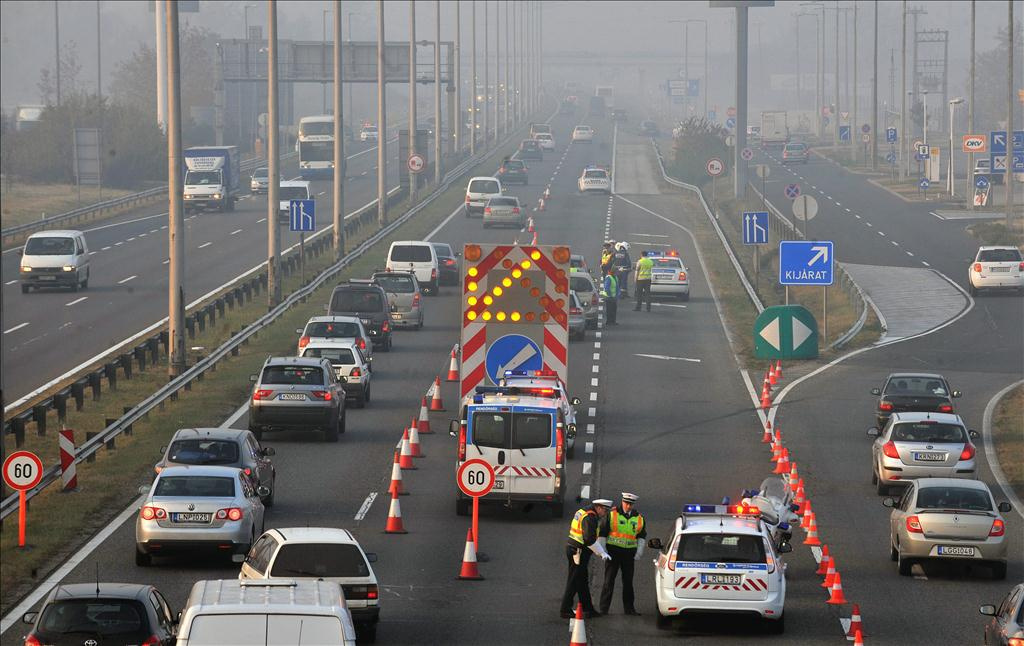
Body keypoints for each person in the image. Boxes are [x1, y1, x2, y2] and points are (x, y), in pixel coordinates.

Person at [561, 498, 613, 619]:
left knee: (582, 580)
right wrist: (601, 553)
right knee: (573, 581)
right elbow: (589, 539)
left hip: (574, 549)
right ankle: (565, 609)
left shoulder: (584, 511)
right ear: (599, 507)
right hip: (578, 551)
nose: (605, 514)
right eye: (605, 511)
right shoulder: (590, 517)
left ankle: (588, 608)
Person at [599, 492, 647, 616]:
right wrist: (603, 550)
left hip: (629, 554)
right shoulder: (612, 514)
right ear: (622, 502)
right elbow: (603, 533)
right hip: (613, 553)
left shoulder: (639, 518)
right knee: (609, 581)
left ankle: (629, 609)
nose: (628, 506)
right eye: (627, 503)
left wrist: (639, 552)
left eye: (631, 504)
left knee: (628, 582)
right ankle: (603, 609)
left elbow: (641, 536)